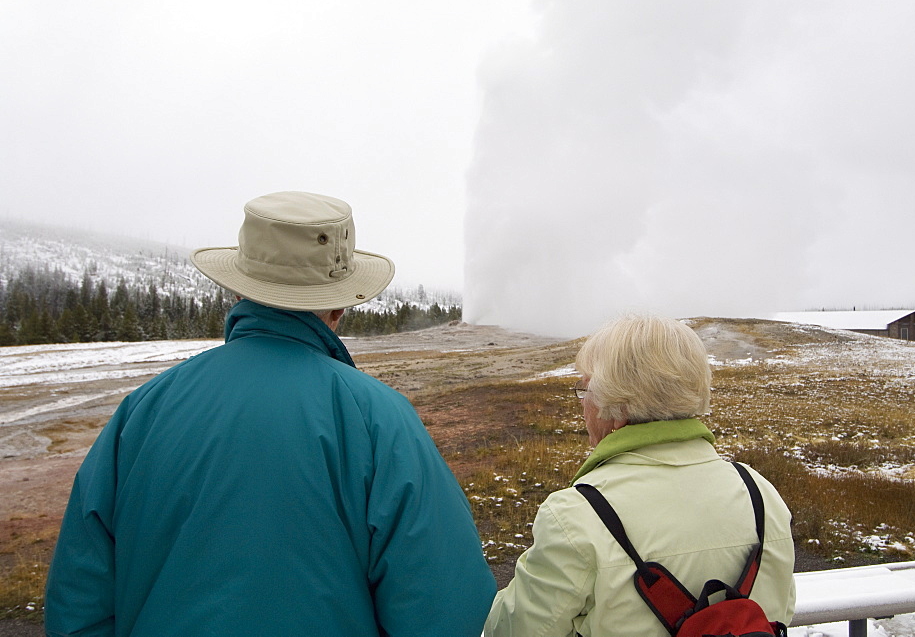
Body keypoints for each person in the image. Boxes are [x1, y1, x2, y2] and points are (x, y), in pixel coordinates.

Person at [45, 191, 496, 637]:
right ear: (339, 306)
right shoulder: (381, 420)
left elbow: (77, 604)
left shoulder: (142, 410)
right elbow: (444, 609)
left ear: (241, 289)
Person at [484, 314, 795, 637]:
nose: (583, 406)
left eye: (585, 390)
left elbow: (511, 630)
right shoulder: (760, 494)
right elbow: (780, 612)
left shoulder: (576, 516)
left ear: (616, 408)